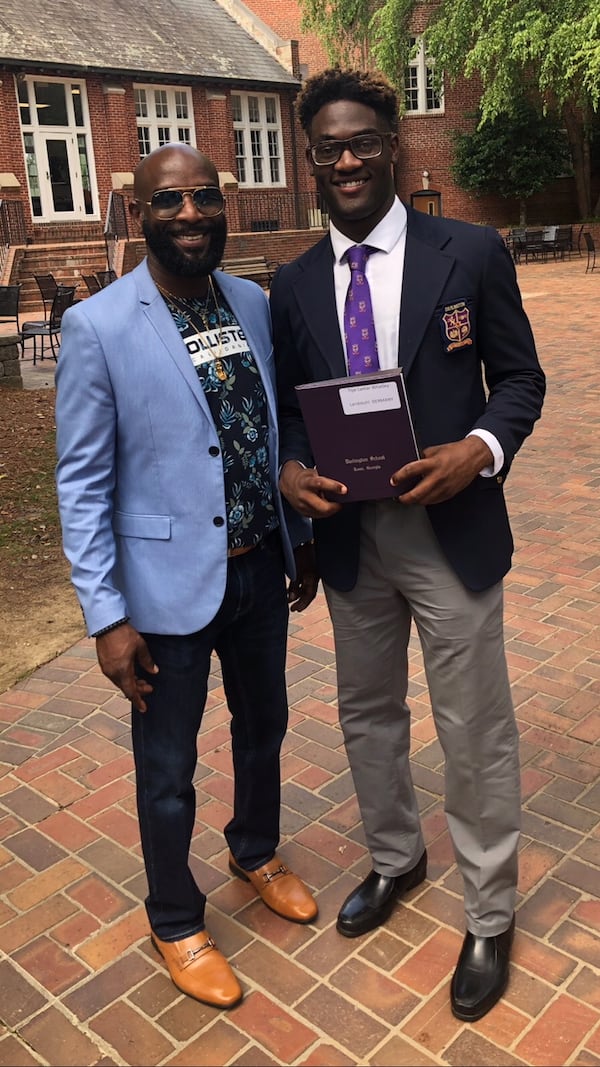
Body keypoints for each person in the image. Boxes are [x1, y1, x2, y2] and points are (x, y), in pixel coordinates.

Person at [270, 68, 545, 1022]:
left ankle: (489, 910)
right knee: (366, 713)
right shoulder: (295, 281)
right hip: (354, 541)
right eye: (328, 149)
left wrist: (479, 449)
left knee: (473, 725)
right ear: (312, 162)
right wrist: (289, 473)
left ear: (395, 147)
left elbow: (521, 380)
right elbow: (295, 417)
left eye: (362, 143)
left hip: (450, 531)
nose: (346, 160)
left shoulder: (467, 251)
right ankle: (397, 856)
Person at [55, 143, 319, 1010]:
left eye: (205, 197)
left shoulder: (250, 299)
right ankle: (174, 917)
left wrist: (292, 526)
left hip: (255, 571)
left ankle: (255, 848)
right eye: (171, 201)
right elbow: (83, 484)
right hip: (163, 593)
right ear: (140, 213)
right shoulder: (98, 326)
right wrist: (106, 617)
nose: (193, 214)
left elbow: (270, 424)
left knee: (264, 726)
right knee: (167, 766)